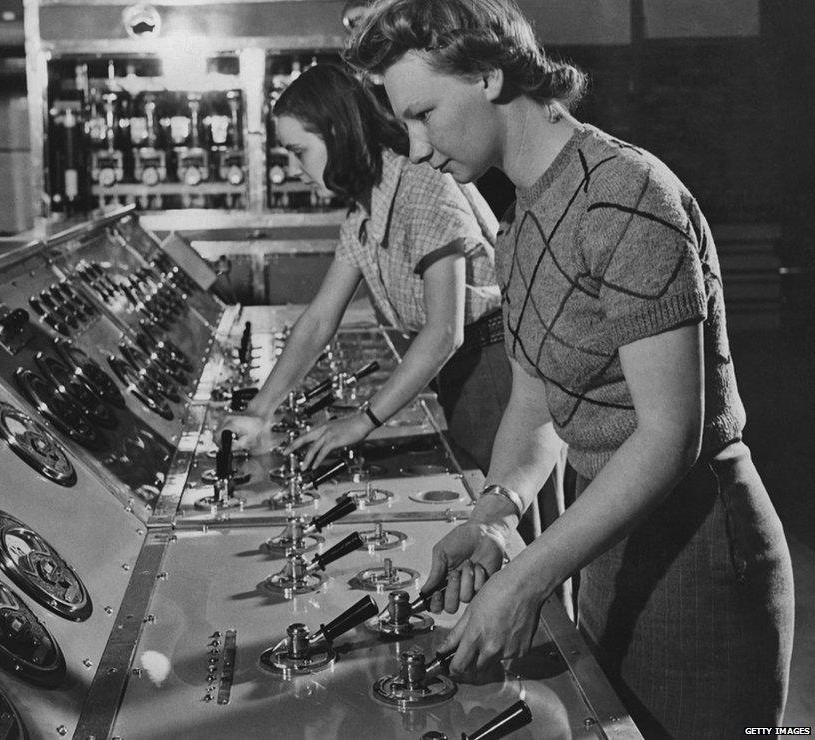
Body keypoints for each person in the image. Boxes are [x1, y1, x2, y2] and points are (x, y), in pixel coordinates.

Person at [346, 1, 794, 737]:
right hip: (605, 538)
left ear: (488, 74)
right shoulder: (522, 226)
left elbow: (669, 433)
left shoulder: (623, 193)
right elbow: (535, 402)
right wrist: (495, 513)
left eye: (424, 114)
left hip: (697, 552)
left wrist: (526, 577)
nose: (419, 149)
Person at [216, 63, 510, 474]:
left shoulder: (421, 185)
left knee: (509, 520)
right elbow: (320, 319)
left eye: (299, 151)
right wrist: (260, 411)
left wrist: (362, 421)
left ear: (338, 133)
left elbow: (445, 332)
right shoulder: (364, 208)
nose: (298, 170)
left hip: (495, 371)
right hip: (461, 375)